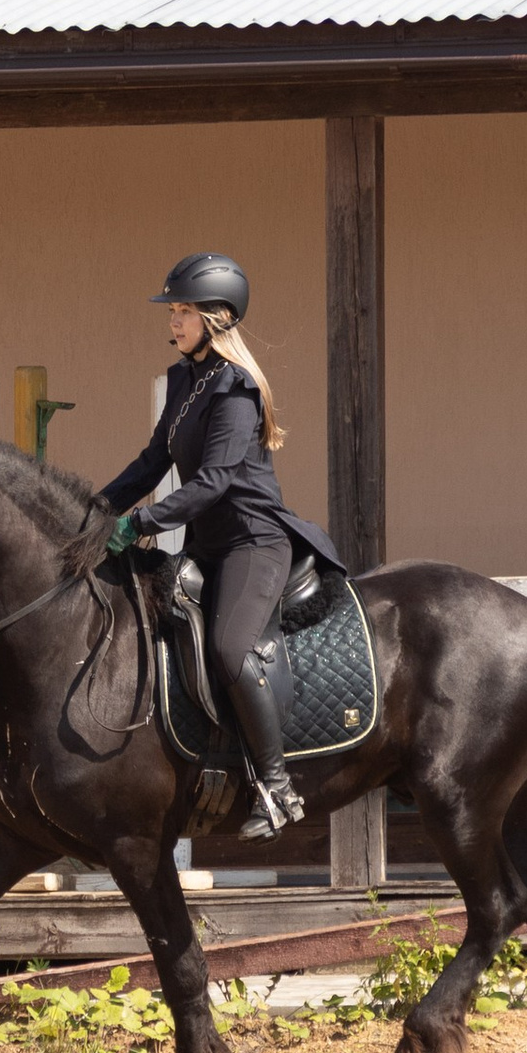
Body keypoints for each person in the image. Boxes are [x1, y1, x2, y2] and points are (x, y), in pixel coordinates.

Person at [98, 254, 345, 839]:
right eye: (173, 311)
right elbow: (153, 461)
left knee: (232, 649)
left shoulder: (235, 390)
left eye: (183, 311)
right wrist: (96, 510)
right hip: (206, 543)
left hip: (253, 543)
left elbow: (214, 483)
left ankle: (278, 789)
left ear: (217, 317)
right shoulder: (185, 379)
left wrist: (143, 522)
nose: (173, 321)